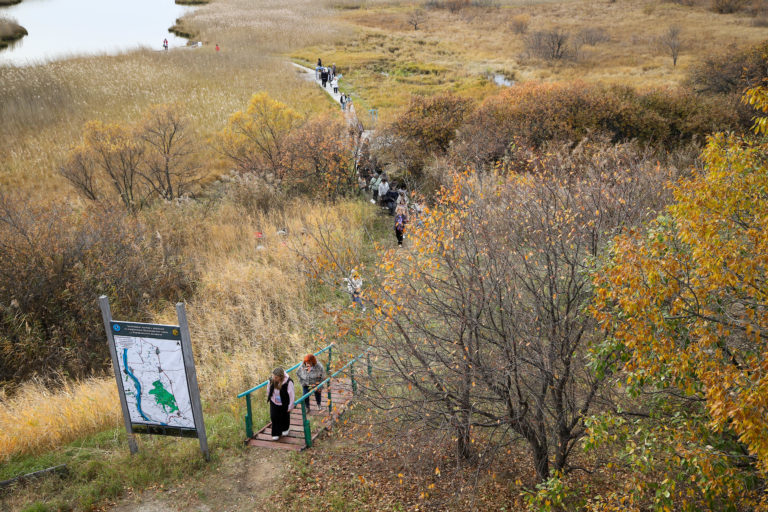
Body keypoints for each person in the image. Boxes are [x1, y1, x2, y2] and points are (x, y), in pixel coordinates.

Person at [266, 367, 295, 440]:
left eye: (276, 377)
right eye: (273, 376)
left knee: (284, 416)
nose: (274, 378)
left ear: (281, 377)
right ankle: (276, 433)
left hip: (284, 402)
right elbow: (268, 389)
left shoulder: (288, 382)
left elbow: (292, 395)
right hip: (274, 401)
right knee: (274, 416)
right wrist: (269, 397)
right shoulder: (271, 380)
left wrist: (290, 406)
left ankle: (285, 429)